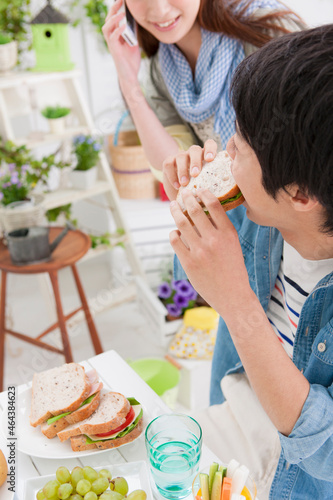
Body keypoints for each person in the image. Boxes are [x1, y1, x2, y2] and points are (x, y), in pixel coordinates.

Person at [163, 24, 333, 499]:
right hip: (227, 432)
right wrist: (192, 209)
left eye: (240, 146)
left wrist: (239, 304)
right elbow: (190, 289)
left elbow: (328, 453)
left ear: (300, 193)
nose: (225, 150)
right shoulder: (259, 214)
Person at [102, 0, 303, 182]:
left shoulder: (267, 32)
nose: (160, 10)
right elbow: (174, 168)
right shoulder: (162, 67)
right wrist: (128, 81)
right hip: (238, 213)